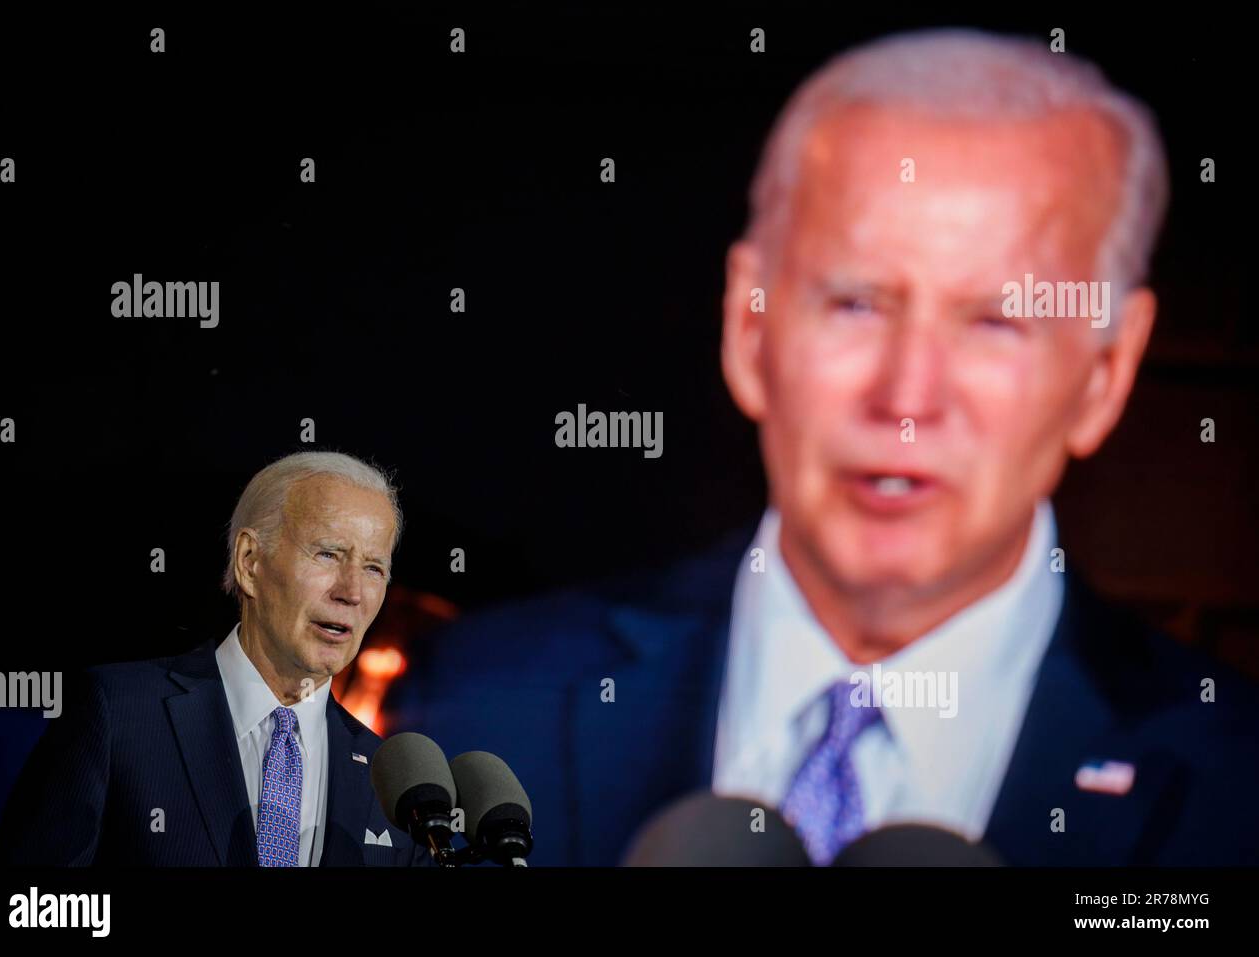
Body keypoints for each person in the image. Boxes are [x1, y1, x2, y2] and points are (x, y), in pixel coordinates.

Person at [393, 29, 1259, 866]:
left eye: (996, 320)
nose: (907, 397)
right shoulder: (470, 712)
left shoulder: (1236, 790)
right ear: (747, 325)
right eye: (854, 304)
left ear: (1105, 373)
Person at [0, 451, 432, 866]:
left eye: (374, 568)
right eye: (328, 554)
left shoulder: (393, 784)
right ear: (249, 561)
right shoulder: (119, 715)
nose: (351, 592)